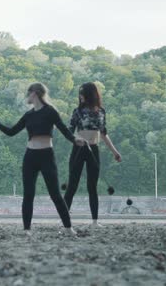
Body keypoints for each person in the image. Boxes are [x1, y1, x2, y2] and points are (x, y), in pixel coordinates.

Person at [0, 82, 85, 235]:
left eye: (28, 92)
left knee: (55, 194)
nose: (27, 95)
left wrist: (74, 140)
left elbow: (64, 129)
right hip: (30, 157)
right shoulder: (29, 115)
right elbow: (12, 132)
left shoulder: (50, 111)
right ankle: (26, 229)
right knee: (28, 194)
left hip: (46, 155)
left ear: (35, 93)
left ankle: (68, 227)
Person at [63, 82, 122, 227]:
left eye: (82, 93)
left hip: (94, 149)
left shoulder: (101, 112)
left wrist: (115, 152)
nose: (80, 96)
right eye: (79, 93)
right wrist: (76, 140)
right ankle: (64, 219)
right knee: (72, 185)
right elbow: (69, 132)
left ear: (90, 94)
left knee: (92, 186)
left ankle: (95, 221)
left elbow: (103, 134)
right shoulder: (77, 111)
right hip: (79, 149)